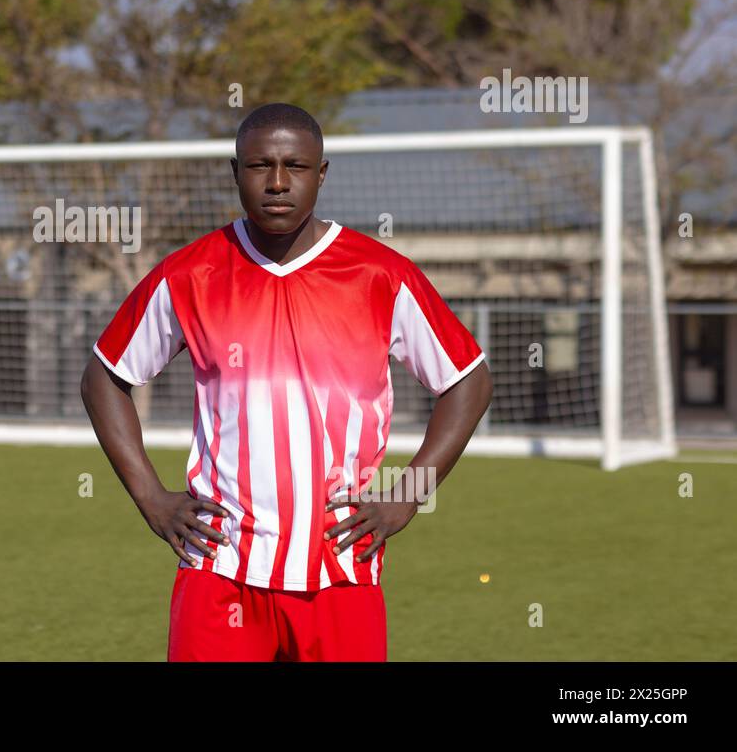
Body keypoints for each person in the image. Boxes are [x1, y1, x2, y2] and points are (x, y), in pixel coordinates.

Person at [80, 102, 493, 661]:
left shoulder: (380, 275)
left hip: (341, 566)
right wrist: (150, 497)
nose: (277, 183)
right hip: (221, 565)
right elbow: (105, 376)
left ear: (320, 174)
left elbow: (468, 380)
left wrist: (407, 496)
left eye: (295, 166)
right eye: (260, 166)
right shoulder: (190, 274)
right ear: (235, 174)